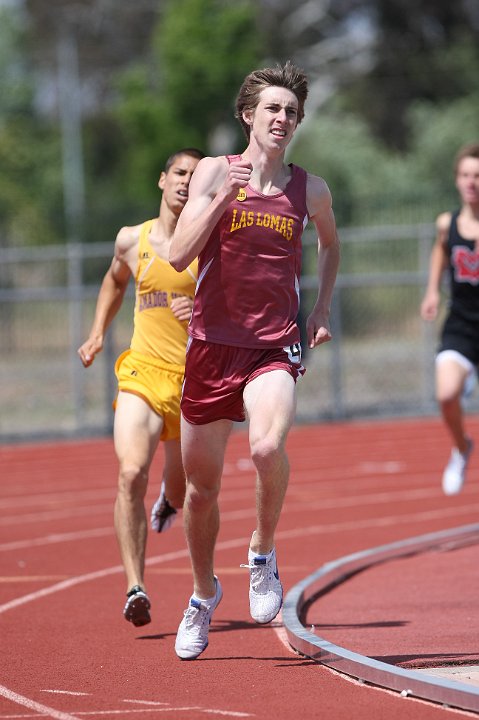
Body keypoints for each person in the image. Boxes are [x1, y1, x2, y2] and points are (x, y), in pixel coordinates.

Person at [169, 62, 340, 660]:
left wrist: (319, 308)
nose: (283, 119)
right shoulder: (217, 171)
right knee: (200, 492)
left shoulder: (309, 188)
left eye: (291, 111)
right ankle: (201, 593)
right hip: (213, 346)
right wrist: (220, 199)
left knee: (267, 447)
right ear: (248, 115)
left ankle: (262, 552)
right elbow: (175, 255)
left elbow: (330, 243)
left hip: (274, 341)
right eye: (272, 108)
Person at [77, 147, 204, 626]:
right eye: (179, 173)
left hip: (193, 383)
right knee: (131, 473)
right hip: (143, 373)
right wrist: (96, 333)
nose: (186, 183)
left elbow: (236, 304)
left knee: (182, 487)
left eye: (195, 176)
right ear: (162, 179)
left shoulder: (211, 243)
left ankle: (169, 501)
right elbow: (114, 281)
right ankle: (135, 585)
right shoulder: (133, 239)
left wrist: (202, 313)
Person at [420, 142, 479, 495]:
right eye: (466, 175)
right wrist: (431, 291)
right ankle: (462, 447)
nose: (472, 182)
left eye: (478, 176)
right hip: (460, 323)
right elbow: (440, 251)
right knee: (446, 395)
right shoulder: (448, 223)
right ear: (457, 180)